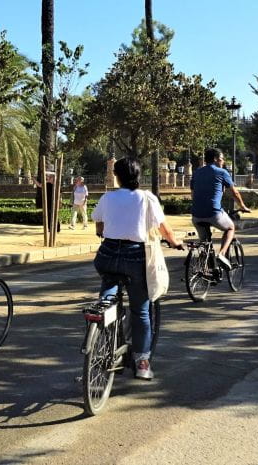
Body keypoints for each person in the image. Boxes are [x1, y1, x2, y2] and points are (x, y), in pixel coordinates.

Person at [92, 158, 183, 381]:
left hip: (107, 254)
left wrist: (106, 231)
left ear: (117, 176)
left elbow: (99, 226)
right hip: (135, 257)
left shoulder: (107, 197)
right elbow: (164, 228)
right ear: (138, 175)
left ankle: (103, 315)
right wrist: (175, 242)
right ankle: (142, 363)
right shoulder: (147, 198)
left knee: (109, 289)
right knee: (141, 311)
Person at [190, 148, 251, 270]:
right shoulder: (221, 172)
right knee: (230, 227)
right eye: (222, 159)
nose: (223, 162)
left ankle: (205, 269)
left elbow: (193, 193)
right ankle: (222, 254)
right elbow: (235, 193)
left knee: (205, 243)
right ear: (215, 159)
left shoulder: (197, 172)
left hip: (196, 215)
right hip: (214, 213)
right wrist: (242, 207)